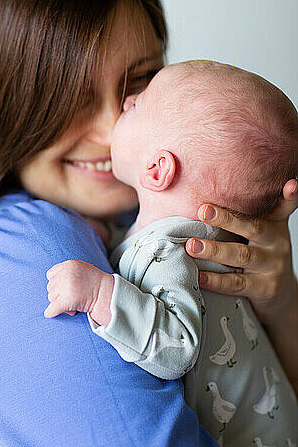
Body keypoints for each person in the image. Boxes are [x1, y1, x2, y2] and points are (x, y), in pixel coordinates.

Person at [0, 0, 297, 446]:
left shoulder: (144, 221)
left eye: (138, 84)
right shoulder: (17, 248)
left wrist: (279, 301)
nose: (113, 129)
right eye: (72, 97)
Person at [44, 60, 298, 445]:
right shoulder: (217, 241)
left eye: (139, 101)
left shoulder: (169, 251)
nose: (125, 103)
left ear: (158, 169)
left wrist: (100, 293)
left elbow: (177, 348)